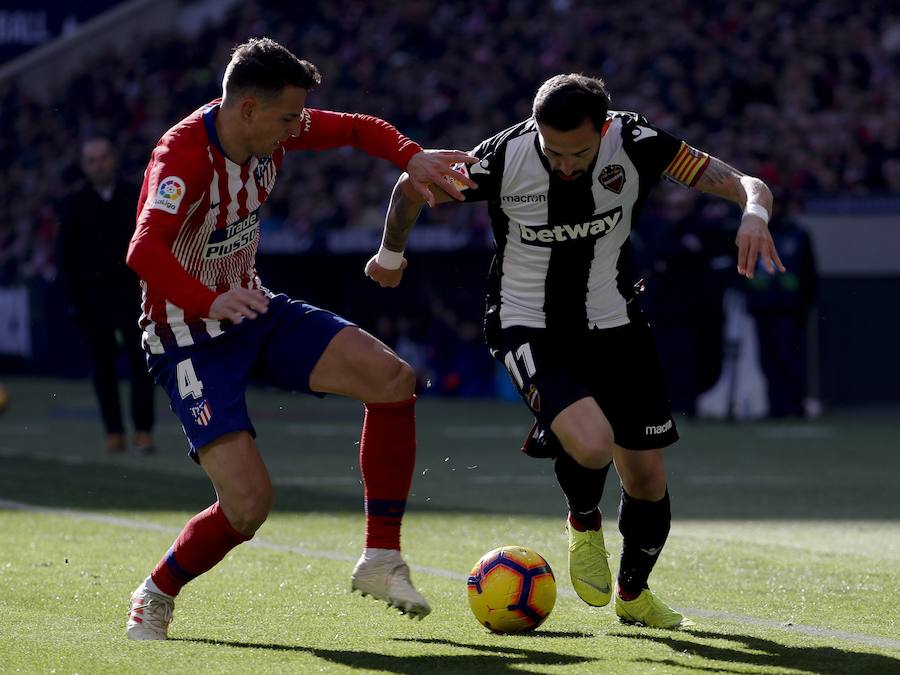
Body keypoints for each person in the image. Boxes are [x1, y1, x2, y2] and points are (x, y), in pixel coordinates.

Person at [367, 74, 784, 629]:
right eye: (552, 151)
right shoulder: (502, 158)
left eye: (579, 152)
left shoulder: (636, 144)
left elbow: (746, 184)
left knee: (646, 477)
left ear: (605, 129)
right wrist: (390, 255)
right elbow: (407, 188)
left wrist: (754, 213)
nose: (565, 165)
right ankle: (584, 524)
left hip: (618, 322)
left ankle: (633, 596)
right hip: (526, 323)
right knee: (591, 444)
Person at [123, 37, 478, 640]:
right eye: (289, 117)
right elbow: (143, 250)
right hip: (187, 334)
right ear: (248, 110)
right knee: (248, 506)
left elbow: (358, 129)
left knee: (393, 379)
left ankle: (381, 559)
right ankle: (156, 593)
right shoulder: (181, 156)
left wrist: (411, 157)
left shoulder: (272, 128)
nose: (298, 128)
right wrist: (209, 300)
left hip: (251, 308)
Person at [59, 137, 156, 454]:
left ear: (113, 159)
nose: (99, 164)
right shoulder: (74, 203)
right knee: (103, 369)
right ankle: (113, 432)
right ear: (85, 166)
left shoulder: (133, 195)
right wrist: (74, 302)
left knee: (142, 366)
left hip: (133, 296)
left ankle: (143, 431)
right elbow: (66, 257)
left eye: (103, 158)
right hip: (93, 300)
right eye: (92, 160)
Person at [745, 192, 817, 417]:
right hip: (763, 307)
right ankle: (775, 405)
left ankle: (795, 405)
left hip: (789, 309)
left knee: (790, 357)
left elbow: (808, 272)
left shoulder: (798, 235)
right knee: (768, 359)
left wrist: (806, 303)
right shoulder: (753, 233)